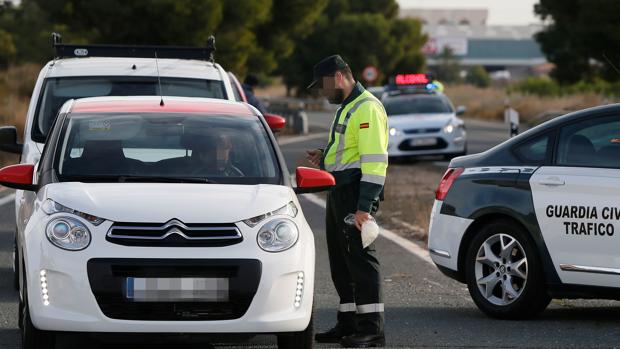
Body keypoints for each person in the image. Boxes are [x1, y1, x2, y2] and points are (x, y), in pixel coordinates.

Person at [306, 55, 388, 348]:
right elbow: (348, 149)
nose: (323, 92)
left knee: (361, 260)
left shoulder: (367, 109)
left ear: (339, 76)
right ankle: (348, 323)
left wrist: (364, 208)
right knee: (342, 263)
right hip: (339, 193)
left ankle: (371, 329)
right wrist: (323, 153)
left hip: (356, 195)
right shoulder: (348, 108)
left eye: (324, 85)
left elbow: (375, 163)